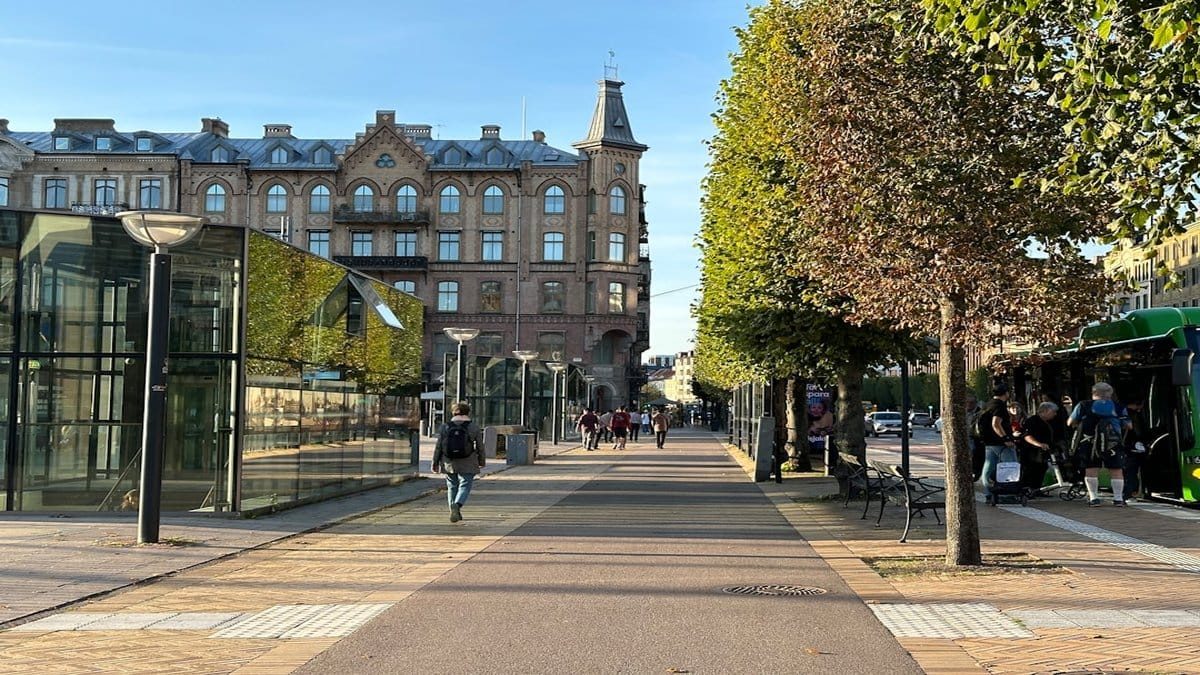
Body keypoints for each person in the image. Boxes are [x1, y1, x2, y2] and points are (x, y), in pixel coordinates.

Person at [1068, 381, 1130, 507]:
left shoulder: (1083, 405)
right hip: (1113, 442)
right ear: (1110, 394)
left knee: (1091, 469)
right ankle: (1118, 499)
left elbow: (1070, 422)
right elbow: (1129, 425)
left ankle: (1094, 498)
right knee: (1116, 469)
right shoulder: (1119, 406)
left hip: (1089, 440)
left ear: (1094, 393)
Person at [432, 401, 485, 522]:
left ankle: (453, 511)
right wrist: (481, 461)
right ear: (468, 412)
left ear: (453, 412)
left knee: (452, 486)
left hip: (449, 461)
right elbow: (480, 447)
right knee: (465, 484)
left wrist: (435, 463)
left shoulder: (445, 426)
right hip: (468, 460)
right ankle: (458, 504)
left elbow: (439, 446)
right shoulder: (473, 427)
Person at [977, 384, 1016, 503]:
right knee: (1011, 466)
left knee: (988, 468)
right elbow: (996, 424)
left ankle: (989, 493)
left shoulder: (988, 404)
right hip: (1000, 443)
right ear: (1006, 393)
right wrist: (1006, 438)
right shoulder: (999, 406)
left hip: (989, 442)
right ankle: (1007, 494)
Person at [1018, 402, 1060, 496]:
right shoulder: (1032, 421)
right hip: (1031, 451)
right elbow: (1027, 436)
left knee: (1041, 469)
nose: (1054, 414)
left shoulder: (1049, 422)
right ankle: (1026, 491)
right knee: (1030, 471)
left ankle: (1036, 490)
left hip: (1043, 452)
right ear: (1045, 411)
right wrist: (1039, 444)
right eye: (1053, 412)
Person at [1122, 397, 1150, 501]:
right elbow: (1139, 432)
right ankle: (1133, 492)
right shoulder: (1134, 415)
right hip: (1134, 447)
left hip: (1124, 447)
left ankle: (1126, 493)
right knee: (1133, 471)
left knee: (1127, 471)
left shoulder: (1119, 413)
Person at [964, 393, 985, 482]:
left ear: (976, 403)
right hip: (964, 436)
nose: (969, 405)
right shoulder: (962, 413)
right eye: (967, 402)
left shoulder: (980, 413)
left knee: (973, 452)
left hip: (975, 437)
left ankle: (975, 472)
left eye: (971, 402)